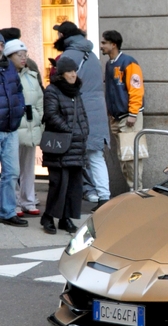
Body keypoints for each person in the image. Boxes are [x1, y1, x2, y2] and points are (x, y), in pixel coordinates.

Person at [54, 21, 110, 211]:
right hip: (98, 112)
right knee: (96, 156)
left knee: (74, 158)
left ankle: (79, 197)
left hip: (78, 113)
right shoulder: (92, 55)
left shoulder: (67, 57)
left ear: (63, 36)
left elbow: (61, 87)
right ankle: (104, 196)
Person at [40, 57, 89, 235]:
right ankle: (48, 216)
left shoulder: (76, 92)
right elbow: (51, 115)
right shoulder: (52, 90)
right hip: (60, 145)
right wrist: (70, 130)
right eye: (69, 71)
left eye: (75, 71)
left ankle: (65, 218)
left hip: (76, 144)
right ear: (61, 74)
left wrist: (84, 131)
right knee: (58, 183)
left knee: (73, 185)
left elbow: (82, 114)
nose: (73, 74)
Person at [100, 30, 146, 190]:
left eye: (104, 42)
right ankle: (133, 190)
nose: (101, 46)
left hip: (128, 116)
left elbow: (136, 89)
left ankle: (137, 191)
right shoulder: (109, 64)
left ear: (113, 44)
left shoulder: (128, 62)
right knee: (123, 157)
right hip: (116, 116)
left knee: (131, 157)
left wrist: (133, 113)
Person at [4, 40, 44, 217]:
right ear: (9, 56)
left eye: (25, 54)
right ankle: (15, 202)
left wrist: (39, 119)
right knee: (12, 168)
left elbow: (40, 101)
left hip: (30, 125)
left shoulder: (32, 76)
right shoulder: (6, 75)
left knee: (28, 167)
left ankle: (29, 200)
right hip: (13, 126)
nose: (23, 58)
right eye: (19, 55)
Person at [0, 33, 28, 227]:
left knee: (12, 172)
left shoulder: (9, 67)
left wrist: (19, 111)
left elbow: (18, 90)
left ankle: (8, 211)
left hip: (10, 128)